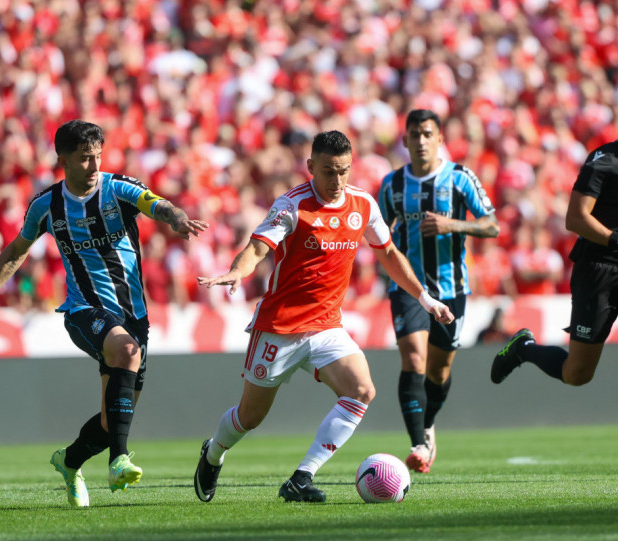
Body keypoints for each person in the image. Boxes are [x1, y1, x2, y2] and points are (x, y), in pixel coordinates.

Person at [193, 130, 454, 503]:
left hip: (327, 325)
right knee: (250, 417)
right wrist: (238, 270)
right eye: (329, 172)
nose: (337, 181)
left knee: (362, 389)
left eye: (344, 171)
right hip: (279, 327)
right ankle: (214, 452)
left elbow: (390, 255)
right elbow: (257, 248)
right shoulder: (291, 205)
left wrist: (427, 300)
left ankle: (301, 477)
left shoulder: (363, 205)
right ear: (311, 166)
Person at [0, 120, 208, 507]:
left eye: (97, 157)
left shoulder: (118, 188)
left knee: (113, 420)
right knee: (126, 354)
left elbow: (156, 204)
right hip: (83, 309)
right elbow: (16, 251)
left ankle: (69, 462)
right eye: (84, 159)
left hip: (133, 317)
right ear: (63, 159)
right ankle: (118, 461)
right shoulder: (47, 205)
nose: (93, 167)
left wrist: (175, 217)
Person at [490, 88, 618, 479]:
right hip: (599, 271)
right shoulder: (603, 160)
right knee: (577, 374)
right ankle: (524, 348)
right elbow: (575, 219)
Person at [377, 109, 499, 473]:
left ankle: (427, 422)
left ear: (440, 138)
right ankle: (417, 443)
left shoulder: (461, 178)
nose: (421, 141)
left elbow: (491, 225)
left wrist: (452, 224)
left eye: (427, 134)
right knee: (413, 357)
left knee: (439, 372)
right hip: (409, 286)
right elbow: (378, 234)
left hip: (452, 286)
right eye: (414, 134)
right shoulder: (392, 185)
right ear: (405, 140)